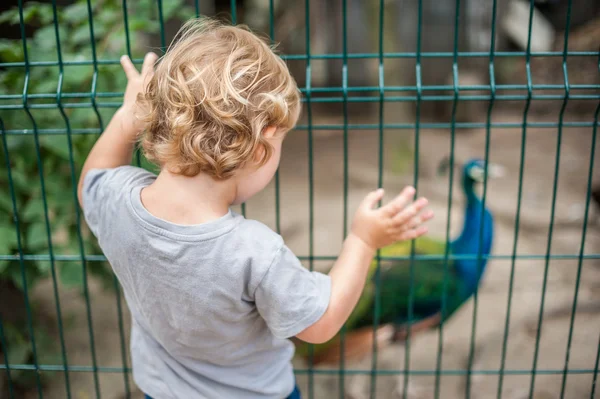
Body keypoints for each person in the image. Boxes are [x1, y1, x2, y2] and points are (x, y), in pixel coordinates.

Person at [77, 18, 433, 399]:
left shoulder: (117, 201)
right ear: (261, 147)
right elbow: (320, 324)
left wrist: (128, 114)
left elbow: (92, 178)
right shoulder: (251, 252)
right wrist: (363, 241)